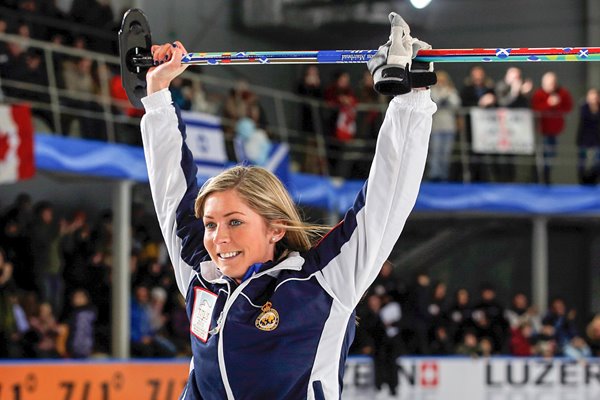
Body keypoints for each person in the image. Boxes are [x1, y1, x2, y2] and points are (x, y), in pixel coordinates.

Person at [139, 12, 436, 399]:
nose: (217, 238)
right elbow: (170, 192)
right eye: (210, 224)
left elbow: (387, 197)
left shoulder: (322, 283)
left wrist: (411, 98)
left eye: (234, 222)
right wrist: (158, 94)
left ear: (275, 228)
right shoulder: (203, 275)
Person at [530, 71, 573, 184]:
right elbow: (535, 109)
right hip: (540, 132)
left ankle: (547, 180)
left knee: (551, 158)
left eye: (553, 83)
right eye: (549, 83)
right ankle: (539, 180)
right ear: (543, 83)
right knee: (540, 158)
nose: (551, 86)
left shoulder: (563, 93)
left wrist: (557, 104)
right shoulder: (538, 94)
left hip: (556, 132)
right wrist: (549, 103)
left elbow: (568, 108)